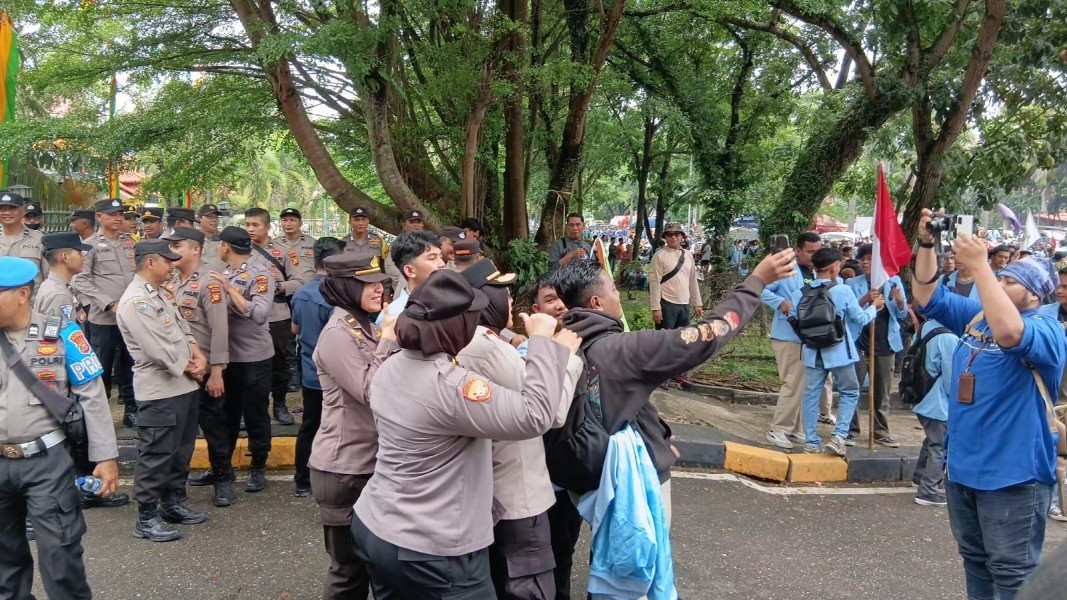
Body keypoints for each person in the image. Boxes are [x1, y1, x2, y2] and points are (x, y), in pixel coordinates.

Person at [552, 250, 796, 577]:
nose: (619, 294)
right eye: (612, 289)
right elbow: (707, 334)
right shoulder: (624, 349)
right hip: (630, 487)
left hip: (580, 479)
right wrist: (757, 282)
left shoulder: (556, 343)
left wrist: (658, 433)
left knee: (608, 564)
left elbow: (613, 401)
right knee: (633, 577)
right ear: (596, 303)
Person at [351, 269, 580, 598]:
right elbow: (535, 416)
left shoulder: (391, 366)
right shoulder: (452, 387)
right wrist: (545, 344)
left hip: (376, 527)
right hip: (434, 549)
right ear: (458, 326)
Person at [912, 209, 1066, 600]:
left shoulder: (1047, 329)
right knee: (975, 563)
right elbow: (926, 295)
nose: (999, 280)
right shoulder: (978, 318)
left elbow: (1011, 332)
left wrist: (980, 267)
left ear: (1035, 293)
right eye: (999, 276)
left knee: (1012, 575)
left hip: (1014, 477)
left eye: (1010, 279)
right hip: (963, 470)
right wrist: (927, 244)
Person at [458, 259, 583, 600]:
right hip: (518, 494)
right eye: (505, 294)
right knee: (528, 583)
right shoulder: (488, 350)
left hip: (491, 489)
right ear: (485, 300)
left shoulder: (480, 341)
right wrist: (565, 357)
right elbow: (548, 413)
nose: (511, 302)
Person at [0, 256, 120, 599]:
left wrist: (106, 457)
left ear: (23, 294)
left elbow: (93, 397)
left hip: (47, 463)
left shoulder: (64, 333)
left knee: (60, 556)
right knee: (4, 564)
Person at [310, 251, 398, 600]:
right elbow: (370, 391)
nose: (379, 290)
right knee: (348, 571)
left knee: (377, 563)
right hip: (344, 468)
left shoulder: (364, 324)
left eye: (380, 282)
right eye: (368, 283)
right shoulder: (337, 334)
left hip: (369, 462)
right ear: (347, 286)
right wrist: (389, 338)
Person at [116, 239, 209, 542]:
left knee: (180, 449)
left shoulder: (159, 294)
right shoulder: (135, 301)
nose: (172, 265)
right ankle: (146, 516)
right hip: (159, 389)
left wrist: (197, 353)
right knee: (156, 453)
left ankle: (173, 503)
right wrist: (190, 365)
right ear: (150, 263)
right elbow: (156, 348)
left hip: (182, 384)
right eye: (167, 261)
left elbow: (182, 327)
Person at [789, 247, 881, 456]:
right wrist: (874, 307)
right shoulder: (842, 291)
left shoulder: (799, 293)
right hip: (839, 350)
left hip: (812, 352)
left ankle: (811, 442)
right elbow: (860, 318)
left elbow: (794, 321)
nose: (840, 268)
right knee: (850, 391)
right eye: (839, 264)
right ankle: (839, 437)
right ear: (832, 268)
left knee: (811, 395)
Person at [163, 228, 231, 507]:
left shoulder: (209, 283)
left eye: (176, 245)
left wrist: (216, 372)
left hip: (203, 371)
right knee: (178, 431)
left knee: (214, 427)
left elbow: (219, 330)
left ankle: (223, 479)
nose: (171, 252)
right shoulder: (168, 283)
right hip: (177, 370)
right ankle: (176, 490)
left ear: (195, 249)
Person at [207, 226, 276, 498]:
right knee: (226, 417)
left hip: (253, 358)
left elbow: (259, 314)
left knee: (256, 415)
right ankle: (223, 468)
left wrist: (229, 291)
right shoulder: (225, 273)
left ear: (226, 246)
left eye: (218, 244)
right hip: (227, 358)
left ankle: (257, 466)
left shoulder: (261, 273)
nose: (217, 249)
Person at [762, 232, 835, 450]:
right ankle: (778, 429)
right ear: (798, 251)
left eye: (817, 251)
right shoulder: (785, 269)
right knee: (792, 383)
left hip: (810, 336)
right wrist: (781, 302)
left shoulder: (818, 272)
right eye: (810, 251)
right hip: (788, 334)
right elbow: (761, 290)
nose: (814, 256)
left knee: (806, 384)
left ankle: (796, 428)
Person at [75, 198, 139, 428]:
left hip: (131, 318)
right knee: (102, 367)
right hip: (104, 319)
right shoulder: (89, 245)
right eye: (112, 214)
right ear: (99, 216)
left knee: (132, 365)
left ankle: (132, 410)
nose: (118, 218)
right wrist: (108, 304)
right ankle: (98, 414)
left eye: (120, 213)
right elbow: (80, 279)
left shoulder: (130, 243)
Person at [290, 237, 345, 498]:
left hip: (309, 372)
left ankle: (302, 481)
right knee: (336, 428)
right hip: (334, 375)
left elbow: (295, 329)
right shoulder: (335, 295)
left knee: (310, 426)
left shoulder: (301, 293)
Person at [246, 207, 305, 426]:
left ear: (268, 227)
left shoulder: (283, 251)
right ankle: (253, 408)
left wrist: (278, 287)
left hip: (277, 315)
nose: (250, 229)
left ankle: (280, 405)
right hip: (249, 317)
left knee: (279, 364)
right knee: (250, 365)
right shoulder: (240, 251)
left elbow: (299, 280)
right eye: (247, 225)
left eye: (255, 225)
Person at [846, 244, 908, 447]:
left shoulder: (893, 281)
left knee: (882, 392)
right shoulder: (852, 283)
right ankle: (850, 430)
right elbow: (848, 312)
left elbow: (902, 314)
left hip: (885, 344)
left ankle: (881, 431)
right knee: (853, 389)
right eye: (862, 258)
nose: (865, 262)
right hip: (859, 343)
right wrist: (865, 299)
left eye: (870, 259)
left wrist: (899, 302)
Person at [908, 303, 959, 507]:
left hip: (922, 397)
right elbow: (951, 378)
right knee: (940, 445)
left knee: (932, 439)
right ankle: (927, 491)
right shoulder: (949, 337)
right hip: (938, 402)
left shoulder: (927, 327)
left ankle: (920, 477)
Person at [273, 207, 318, 393]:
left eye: (292, 220)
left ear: (300, 223)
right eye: (285, 220)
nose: (288, 223)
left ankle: (303, 368)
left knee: (307, 334)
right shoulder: (274, 245)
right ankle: (292, 372)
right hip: (284, 295)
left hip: (309, 296)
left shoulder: (312, 243)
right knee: (287, 336)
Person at [378, 230, 445, 325]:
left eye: (440, 257)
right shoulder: (393, 316)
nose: (442, 264)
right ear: (410, 270)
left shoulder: (452, 302)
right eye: (432, 258)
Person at [36, 232, 91, 327]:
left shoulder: (55, 286)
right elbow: (58, 338)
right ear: (65, 257)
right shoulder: (59, 295)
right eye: (79, 253)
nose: (83, 258)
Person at [342, 206, 400, 294]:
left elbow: (385, 269)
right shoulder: (342, 243)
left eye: (363, 219)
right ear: (349, 222)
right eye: (356, 220)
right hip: (351, 290)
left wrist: (387, 292)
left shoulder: (379, 241)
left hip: (375, 290)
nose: (360, 223)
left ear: (368, 221)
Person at [0, 191, 47, 289]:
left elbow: (49, 276)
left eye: (12, 209)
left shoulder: (40, 239)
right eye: (2, 209)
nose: (7, 213)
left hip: (31, 302)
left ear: (22, 211)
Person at [198, 203, 225, 272]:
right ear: (200, 218)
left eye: (216, 217)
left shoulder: (225, 239)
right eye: (210, 216)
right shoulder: (194, 240)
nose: (214, 220)